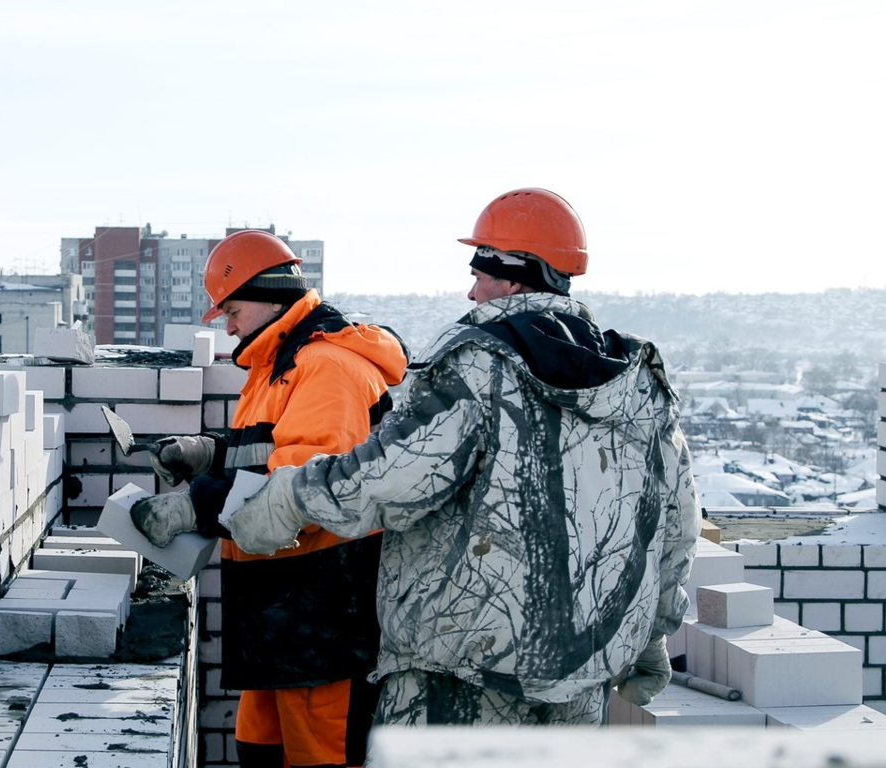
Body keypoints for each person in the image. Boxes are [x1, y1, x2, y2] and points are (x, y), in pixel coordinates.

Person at [227, 188, 700, 736]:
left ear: (514, 277)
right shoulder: (638, 383)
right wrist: (655, 630)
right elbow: (675, 522)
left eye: (480, 272)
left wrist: (285, 500)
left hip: (461, 671)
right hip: (579, 673)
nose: (471, 290)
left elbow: (391, 477)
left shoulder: (480, 365)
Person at [129, 229, 409, 768]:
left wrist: (196, 506)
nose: (227, 326)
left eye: (231, 309)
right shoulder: (279, 362)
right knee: (261, 757)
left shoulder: (328, 368)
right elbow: (266, 451)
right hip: (278, 606)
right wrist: (206, 453)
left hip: (327, 610)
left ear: (268, 295)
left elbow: (308, 485)